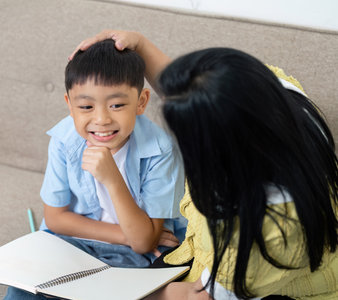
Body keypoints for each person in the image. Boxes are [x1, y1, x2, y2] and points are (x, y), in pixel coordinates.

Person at [72, 31, 338, 299]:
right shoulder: (284, 103)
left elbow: (200, 296)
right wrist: (139, 44)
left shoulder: (248, 233)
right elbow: (199, 93)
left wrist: (120, 290)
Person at [4, 39, 187, 299]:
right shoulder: (64, 139)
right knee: (22, 289)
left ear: (141, 102)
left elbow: (144, 242)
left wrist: (112, 178)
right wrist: (124, 235)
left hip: (137, 254)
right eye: (86, 107)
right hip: (74, 243)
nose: (101, 119)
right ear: (69, 105)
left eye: (117, 105)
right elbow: (56, 218)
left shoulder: (160, 149)